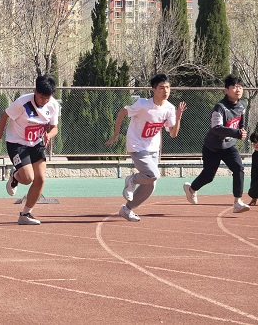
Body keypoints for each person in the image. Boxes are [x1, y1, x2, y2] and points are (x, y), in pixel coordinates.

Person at [106, 74, 186, 222]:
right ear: (153, 90)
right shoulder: (142, 104)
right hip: (136, 145)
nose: (165, 91)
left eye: (168, 88)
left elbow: (173, 134)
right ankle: (131, 180)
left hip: (153, 149)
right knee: (154, 174)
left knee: (150, 185)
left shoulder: (169, 108)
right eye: (161, 88)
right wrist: (116, 134)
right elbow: (122, 112)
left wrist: (178, 117)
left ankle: (126, 209)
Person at [0, 75, 60, 225]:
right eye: (41, 97)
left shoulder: (53, 105)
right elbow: (4, 115)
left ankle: (25, 214)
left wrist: (48, 135)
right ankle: (15, 176)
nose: (44, 101)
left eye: (47, 98)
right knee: (28, 179)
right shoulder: (22, 102)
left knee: (41, 179)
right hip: (17, 143)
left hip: (37, 143)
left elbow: (54, 128)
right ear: (35, 91)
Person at [183, 74, 250, 213]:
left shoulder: (242, 105)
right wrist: (236, 133)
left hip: (229, 147)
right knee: (208, 176)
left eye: (240, 86)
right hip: (212, 148)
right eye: (234, 87)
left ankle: (237, 202)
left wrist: (242, 131)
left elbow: (241, 122)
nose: (238, 89)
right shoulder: (219, 107)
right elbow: (216, 128)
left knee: (238, 168)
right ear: (226, 90)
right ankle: (191, 189)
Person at [248, 131, 258, 206]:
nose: (255, 145)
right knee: (252, 192)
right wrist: (254, 197)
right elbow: (254, 174)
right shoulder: (255, 155)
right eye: (254, 143)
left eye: (257, 142)